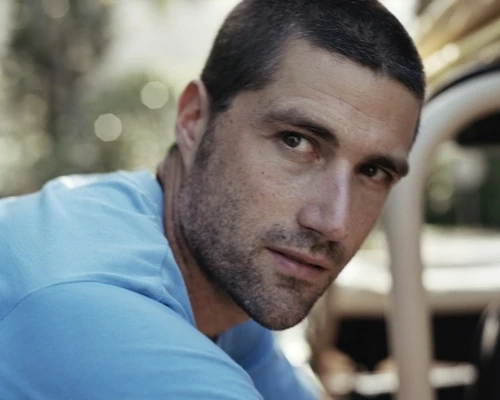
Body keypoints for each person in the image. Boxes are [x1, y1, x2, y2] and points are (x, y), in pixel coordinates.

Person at [0, 0, 425, 399]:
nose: (334, 222)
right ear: (193, 120)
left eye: (373, 172)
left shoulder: (221, 291)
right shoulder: (97, 310)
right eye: (295, 141)